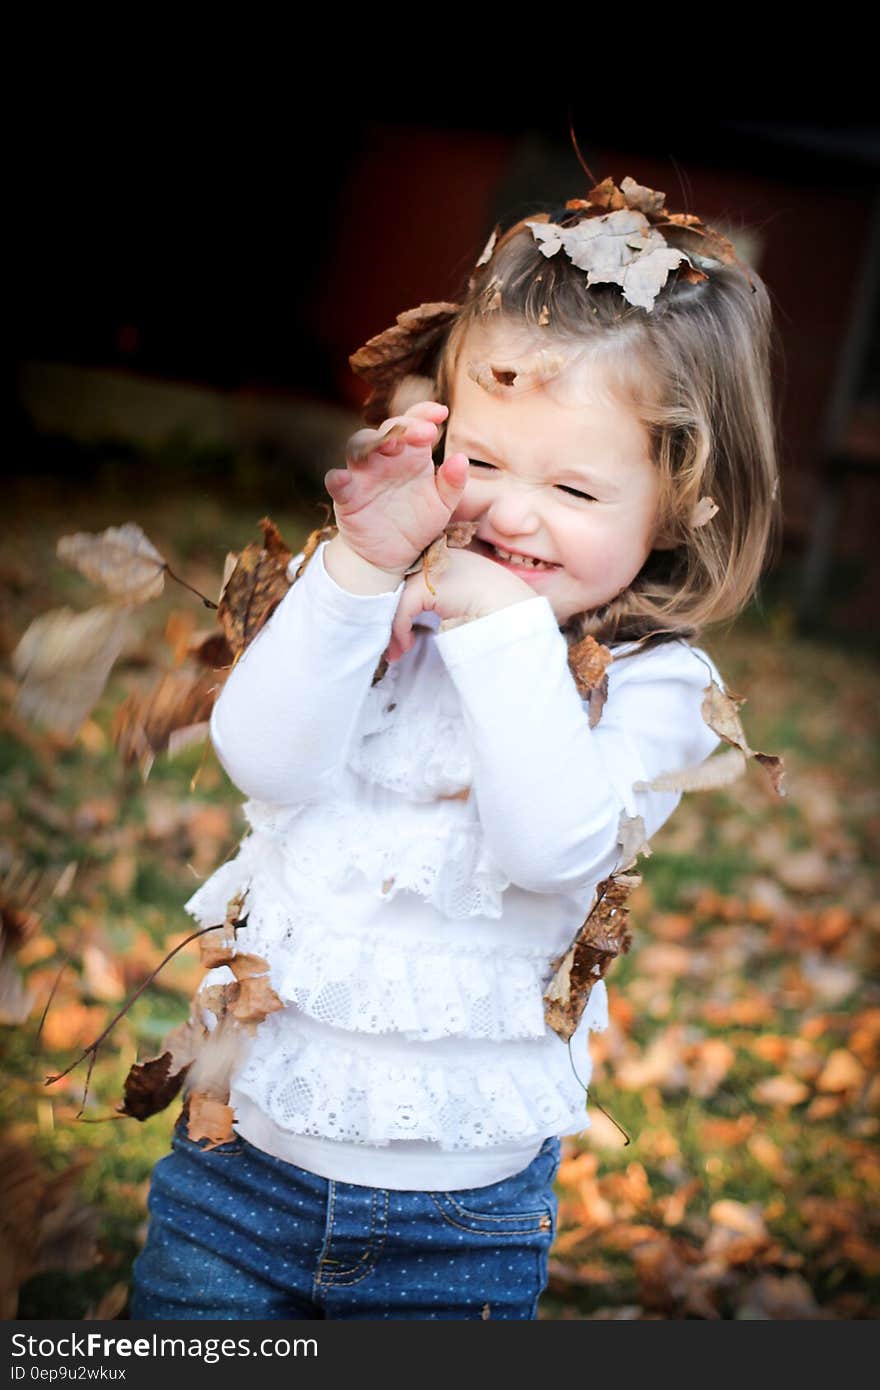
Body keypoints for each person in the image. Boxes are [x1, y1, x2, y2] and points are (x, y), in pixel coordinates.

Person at [130, 176, 782, 1320]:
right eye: (480, 462)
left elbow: (552, 848)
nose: (510, 515)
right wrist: (353, 573)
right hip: (236, 1173)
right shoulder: (381, 607)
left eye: (574, 485)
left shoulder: (658, 687)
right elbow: (264, 760)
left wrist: (502, 629)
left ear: (679, 501)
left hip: (456, 1223)